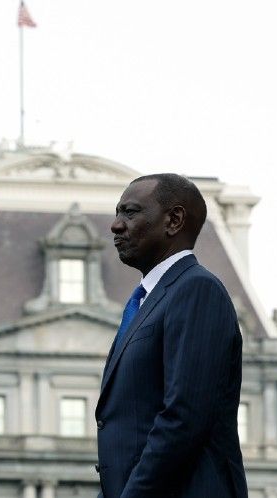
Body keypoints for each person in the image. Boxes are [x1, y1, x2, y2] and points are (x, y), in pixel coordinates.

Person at [96, 174, 249, 498]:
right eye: (117, 213)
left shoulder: (196, 290)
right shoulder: (147, 301)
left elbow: (183, 418)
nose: (115, 225)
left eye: (130, 212)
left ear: (174, 220)